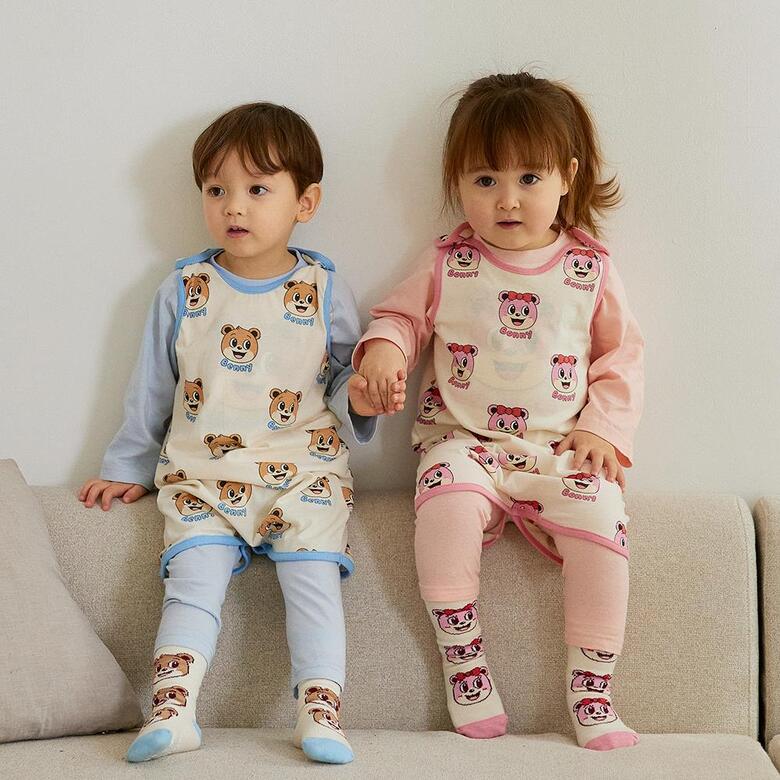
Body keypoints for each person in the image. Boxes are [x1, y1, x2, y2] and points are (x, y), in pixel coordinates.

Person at [78, 102, 402, 765]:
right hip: (203, 475)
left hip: (304, 472)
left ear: (305, 201)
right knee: (192, 582)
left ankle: (320, 713)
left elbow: (340, 376)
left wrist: (361, 394)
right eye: (216, 189)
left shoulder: (323, 286)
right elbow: (151, 387)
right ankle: (173, 709)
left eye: (257, 189)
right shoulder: (183, 289)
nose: (234, 206)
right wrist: (126, 465)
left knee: (313, 582)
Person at [354, 72, 644, 750]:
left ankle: (593, 688)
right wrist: (384, 353)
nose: (507, 199)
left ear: (567, 177)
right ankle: (464, 660)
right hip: (464, 442)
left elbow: (621, 355)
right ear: (457, 182)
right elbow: (401, 318)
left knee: (605, 521)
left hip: (558, 451)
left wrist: (603, 429)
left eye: (528, 178)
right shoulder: (448, 263)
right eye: (484, 180)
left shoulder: (589, 270)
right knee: (445, 504)